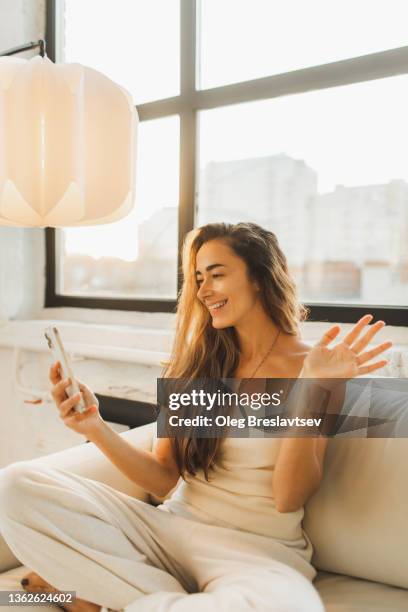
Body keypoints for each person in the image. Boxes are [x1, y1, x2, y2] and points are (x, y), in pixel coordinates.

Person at [0, 222, 392, 612]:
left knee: (292, 605)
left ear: (259, 277)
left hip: (256, 550)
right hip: (169, 531)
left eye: (217, 275)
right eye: (198, 278)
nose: (203, 290)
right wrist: (94, 427)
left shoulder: (314, 369)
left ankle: (102, 597)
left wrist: (310, 390)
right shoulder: (195, 366)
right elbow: (164, 478)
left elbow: (289, 497)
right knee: (14, 485)